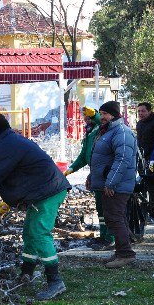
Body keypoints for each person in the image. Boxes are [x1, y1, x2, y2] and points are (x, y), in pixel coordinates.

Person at [0, 114, 71, 300]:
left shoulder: (6, 146)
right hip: (44, 189)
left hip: (48, 191)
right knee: (29, 232)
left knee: (39, 233)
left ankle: (55, 281)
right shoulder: (13, 141)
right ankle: (26, 273)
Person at [89, 101, 138, 268]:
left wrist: (111, 182)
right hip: (110, 183)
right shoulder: (108, 131)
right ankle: (120, 252)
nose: (101, 117)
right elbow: (102, 158)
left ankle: (126, 254)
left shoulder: (122, 132)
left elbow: (122, 159)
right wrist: (92, 176)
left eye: (105, 114)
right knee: (114, 217)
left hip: (117, 185)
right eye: (101, 114)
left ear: (114, 115)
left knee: (115, 218)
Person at [64, 106, 114, 249]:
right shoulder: (89, 132)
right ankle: (103, 236)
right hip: (95, 173)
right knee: (100, 208)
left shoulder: (101, 128)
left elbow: (102, 121)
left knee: (107, 208)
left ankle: (110, 238)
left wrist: (95, 114)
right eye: (84, 116)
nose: (85, 118)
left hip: (106, 173)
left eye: (88, 116)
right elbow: (83, 156)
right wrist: (70, 170)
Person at [136, 102, 154, 222]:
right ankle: (145, 211)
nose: (140, 113)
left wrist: (152, 158)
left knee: (153, 185)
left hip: (153, 159)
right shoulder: (139, 124)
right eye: (139, 111)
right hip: (142, 158)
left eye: (143, 111)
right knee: (143, 185)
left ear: (149, 111)